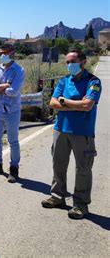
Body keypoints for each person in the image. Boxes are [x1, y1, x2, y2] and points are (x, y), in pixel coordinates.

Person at [41, 49, 102, 219]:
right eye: (67, 62)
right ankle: (58, 196)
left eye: (72, 62)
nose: (69, 65)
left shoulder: (93, 81)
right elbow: (53, 102)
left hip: (82, 132)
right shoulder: (64, 81)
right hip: (61, 129)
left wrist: (64, 101)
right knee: (58, 164)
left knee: (82, 168)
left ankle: (80, 204)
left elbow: (87, 105)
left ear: (83, 62)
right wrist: (75, 103)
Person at [0, 43, 25, 183]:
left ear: (12, 53)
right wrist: (4, 85)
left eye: (5, 53)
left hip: (12, 111)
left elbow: (13, 92)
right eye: (1, 53)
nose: (3, 55)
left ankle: (14, 168)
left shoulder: (19, 70)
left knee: (13, 141)